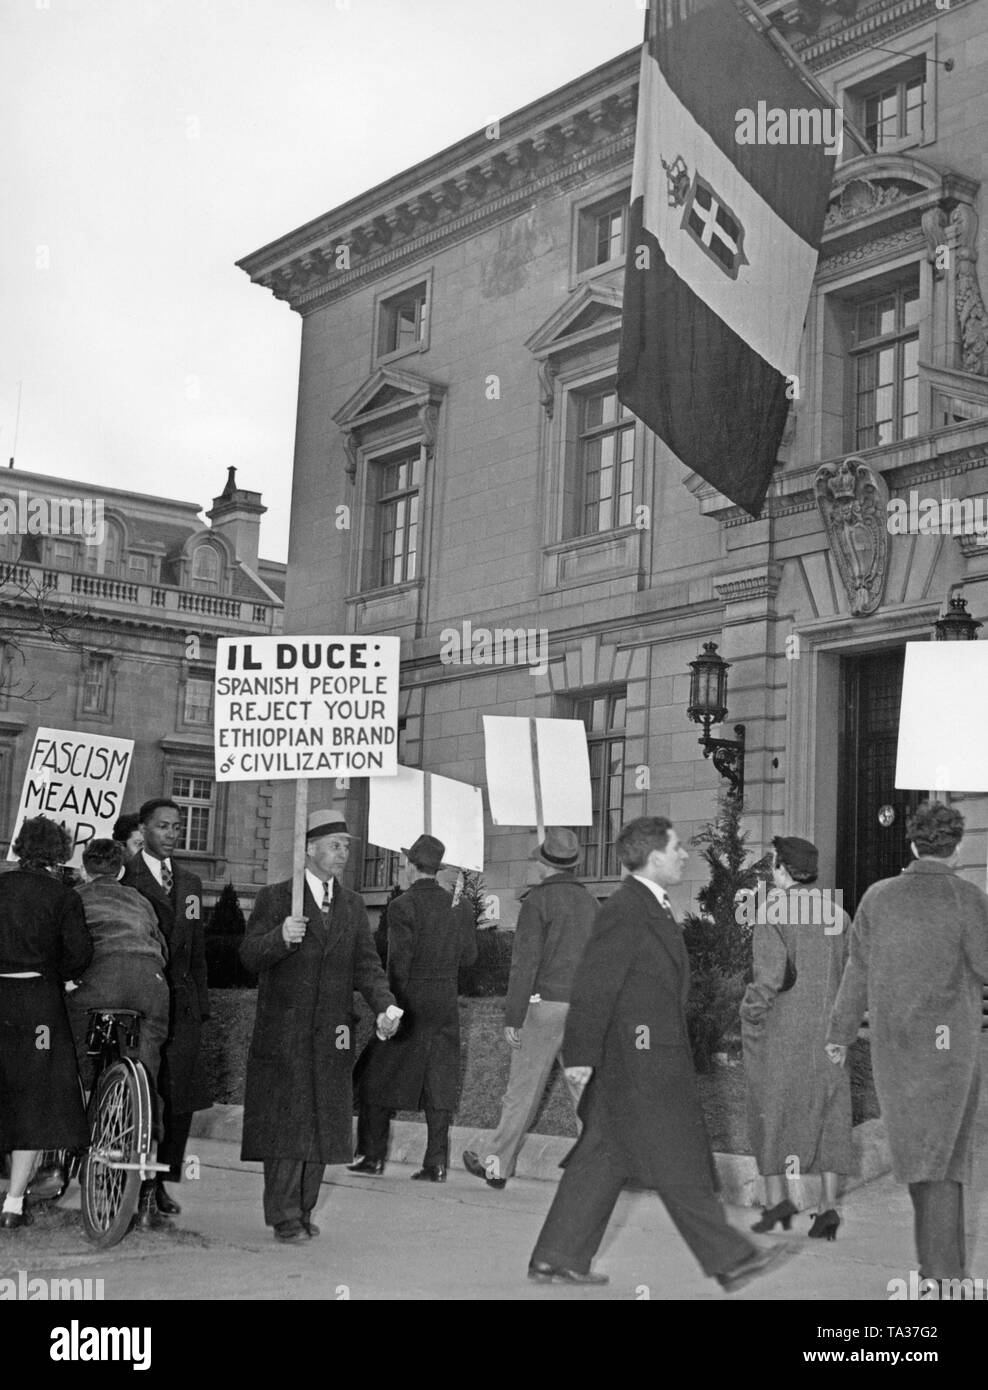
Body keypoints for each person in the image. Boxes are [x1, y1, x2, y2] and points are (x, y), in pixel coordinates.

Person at [529, 816, 797, 1292]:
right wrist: (579, 1058)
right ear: (654, 857)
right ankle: (730, 1259)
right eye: (676, 848)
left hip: (638, 1057)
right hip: (640, 1061)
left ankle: (556, 1257)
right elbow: (594, 986)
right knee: (679, 1160)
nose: (684, 855)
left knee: (602, 1158)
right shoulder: (628, 908)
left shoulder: (647, 904)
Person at [827, 801, 988, 1297]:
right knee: (944, 1159)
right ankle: (944, 1277)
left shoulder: (878, 897)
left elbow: (857, 971)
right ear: (957, 847)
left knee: (926, 1158)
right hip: (950, 1051)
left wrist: (839, 1035)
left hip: (895, 1053)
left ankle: (942, 1272)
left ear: (912, 843)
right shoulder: (967, 898)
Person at [239, 811, 400, 1241]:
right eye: (334, 845)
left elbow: (366, 965)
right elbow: (248, 956)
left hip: (332, 1032)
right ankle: (283, 1215)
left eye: (346, 846)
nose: (343, 853)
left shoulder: (350, 905)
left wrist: (384, 1005)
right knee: (286, 1124)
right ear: (308, 848)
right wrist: (280, 938)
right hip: (285, 1031)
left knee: (322, 1122)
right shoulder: (277, 899)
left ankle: (304, 1208)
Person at [463, 828, 595, 1189]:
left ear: (545, 866)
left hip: (543, 1008)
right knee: (584, 1093)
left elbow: (524, 964)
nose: (530, 865)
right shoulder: (592, 903)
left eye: (533, 860)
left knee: (522, 1091)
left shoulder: (536, 903)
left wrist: (513, 1015)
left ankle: (496, 1165)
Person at [741, 836, 855, 1240]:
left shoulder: (772, 912)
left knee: (770, 1110)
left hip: (781, 1033)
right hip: (828, 1035)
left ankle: (777, 1205)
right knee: (830, 1116)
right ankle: (827, 1210)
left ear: (782, 869)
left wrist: (749, 1017)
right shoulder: (839, 916)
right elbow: (852, 980)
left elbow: (768, 980)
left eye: (773, 864)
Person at [350, 834, 477, 1182]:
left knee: (376, 1074)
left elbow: (398, 965)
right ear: (437, 867)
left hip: (409, 1000)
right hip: (445, 1001)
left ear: (410, 865)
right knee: (440, 1080)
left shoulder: (402, 906)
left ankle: (372, 1156)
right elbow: (470, 957)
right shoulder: (460, 905)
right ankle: (435, 1163)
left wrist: (390, 1010)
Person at [0, 816, 93, 1230]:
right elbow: (79, 955)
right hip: (38, 1004)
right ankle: (14, 1204)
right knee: (34, 1100)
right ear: (59, 853)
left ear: (19, 847)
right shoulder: (63, 896)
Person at [122, 798, 210, 1229]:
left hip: (184, 1006)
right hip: (143, 1000)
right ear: (144, 829)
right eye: (163, 827)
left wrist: (201, 1005)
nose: (173, 833)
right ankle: (132, 1186)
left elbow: (197, 950)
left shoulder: (191, 883)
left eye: (177, 827)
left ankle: (160, 1183)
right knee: (142, 1092)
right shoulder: (126, 879)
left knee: (179, 1099)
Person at [66, 839, 170, 1117]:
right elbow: (163, 947)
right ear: (121, 871)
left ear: (83, 871)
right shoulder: (141, 900)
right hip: (150, 982)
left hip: (100, 980)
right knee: (148, 1054)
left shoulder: (75, 896)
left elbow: (67, 948)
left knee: (71, 1036)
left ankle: (81, 1102)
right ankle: (146, 1127)